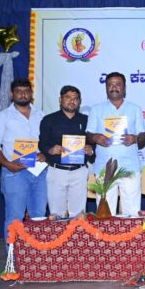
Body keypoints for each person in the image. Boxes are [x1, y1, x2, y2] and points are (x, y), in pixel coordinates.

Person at [0, 79, 47, 244]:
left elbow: (47, 142)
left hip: (40, 172)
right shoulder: (2, 117)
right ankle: (12, 258)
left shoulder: (41, 115)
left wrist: (45, 154)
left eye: (26, 91)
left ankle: (35, 256)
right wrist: (7, 164)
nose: (23, 94)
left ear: (31, 93)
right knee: (14, 217)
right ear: (11, 94)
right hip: (14, 172)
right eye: (19, 91)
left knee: (39, 216)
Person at [87, 72, 145, 217]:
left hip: (130, 166)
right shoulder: (96, 110)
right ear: (106, 88)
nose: (114, 87)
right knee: (105, 215)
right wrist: (95, 137)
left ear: (124, 88)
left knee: (132, 214)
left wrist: (135, 138)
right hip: (104, 167)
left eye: (118, 84)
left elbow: (143, 138)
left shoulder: (135, 109)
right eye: (110, 85)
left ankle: (131, 233)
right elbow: (88, 136)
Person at [39, 85, 94, 218]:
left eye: (75, 98)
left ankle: (78, 232)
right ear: (60, 99)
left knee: (79, 215)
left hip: (79, 171)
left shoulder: (86, 120)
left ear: (79, 102)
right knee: (56, 214)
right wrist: (50, 150)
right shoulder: (49, 120)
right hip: (57, 171)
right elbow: (42, 143)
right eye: (68, 97)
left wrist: (90, 150)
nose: (72, 101)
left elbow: (93, 142)